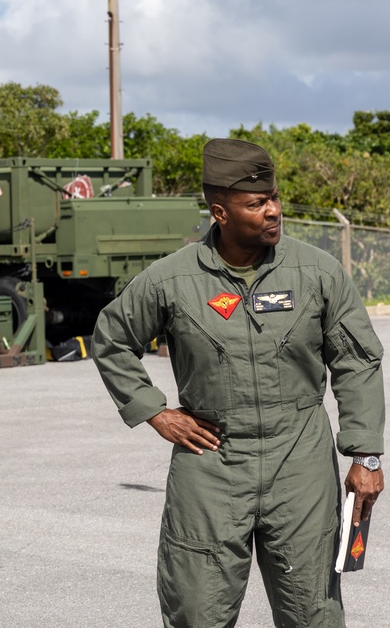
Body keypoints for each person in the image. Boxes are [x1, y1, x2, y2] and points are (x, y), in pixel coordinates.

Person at [92, 137, 385, 627]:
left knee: (312, 610)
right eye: (256, 204)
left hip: (301, 463)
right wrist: (155, 411)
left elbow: (357, 362)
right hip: (211, 465)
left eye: (274, 198)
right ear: (219, 212)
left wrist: (366, 455)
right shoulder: (173, 279)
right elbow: (112, 338)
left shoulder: (317, 271)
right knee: (197, 609)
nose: (272, 211)